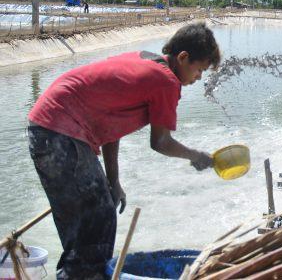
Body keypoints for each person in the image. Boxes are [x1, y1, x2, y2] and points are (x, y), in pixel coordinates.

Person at [27, 22, 220, 279]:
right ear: (183, 58)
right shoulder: (166, 81)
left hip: (48, 127)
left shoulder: (145, 61)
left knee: (87, 226)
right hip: (61, 130)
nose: (199, 78)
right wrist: (196, 156)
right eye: (199, 70)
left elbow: (110, 128)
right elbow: (161, 142)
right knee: (97, 221)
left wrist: (113, 181)